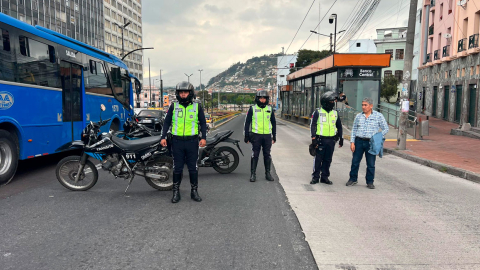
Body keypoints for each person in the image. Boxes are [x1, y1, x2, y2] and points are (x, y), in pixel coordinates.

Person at [161, 82, 207, 203]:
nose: (183, 94)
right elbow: (166, 123)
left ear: (190, 93)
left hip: (192, 141)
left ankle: (194, 191)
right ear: (177, 94)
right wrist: (163, 137)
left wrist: (203, 138)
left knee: (193, 168)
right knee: (177, 168)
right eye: (181, 92)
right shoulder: (173, 106)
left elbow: (202, 123)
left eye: (185, 92)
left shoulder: (197, 107)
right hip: (177, 142)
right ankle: (176, 192)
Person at [346, 97, 389, 189]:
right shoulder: (358, 116)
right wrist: (352, 142)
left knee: (370, 163)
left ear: (371, 106)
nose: (363, 107)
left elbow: (386, 128)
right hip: (359, 141)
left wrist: (378, 137)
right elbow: (354, 129)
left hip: (371, 143)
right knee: (355, 161)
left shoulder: (378, 116)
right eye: (362, 105)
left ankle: (370, 181)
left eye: (365, 105)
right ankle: (353, 179)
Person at [310, 91, 343, 185]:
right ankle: (315, 177)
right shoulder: (318, 112)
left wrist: (341, 138)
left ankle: (325, 177)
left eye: (333, 101)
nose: (333, 103)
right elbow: (313, 125)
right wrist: (313, 138)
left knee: (328, 159)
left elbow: (339, 126)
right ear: (325, 102)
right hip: (320, 139)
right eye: (331, 101)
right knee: (318, 159)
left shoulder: (335, 113)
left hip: (331, 140)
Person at [244, 90, 276, 182]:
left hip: (267, 136)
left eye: (264, 98)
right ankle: (253, 174)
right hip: (256, 135)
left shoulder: (270, 109)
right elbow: (247, 123)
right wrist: (246, 135)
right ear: (257, 99)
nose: (262, 100)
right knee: (255, 155)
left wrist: (274, 136)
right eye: (261, 98)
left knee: (267, 155)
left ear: (267, 99)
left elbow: (273, 123)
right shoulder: (252, 109)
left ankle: (268, 173)